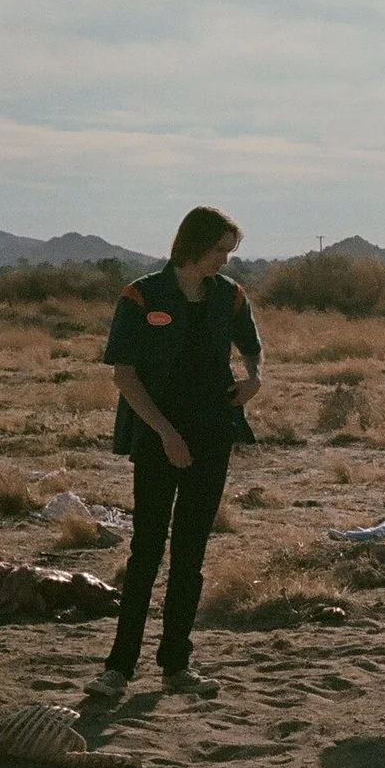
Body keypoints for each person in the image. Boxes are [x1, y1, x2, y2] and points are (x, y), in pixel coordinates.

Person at [85, 207, 262, 702]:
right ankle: (118, 669)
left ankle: (176, 666)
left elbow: (251, 347)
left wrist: (253, 378)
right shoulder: (142, 295)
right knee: (146, 551)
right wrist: (165, 432)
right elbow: (124, 374)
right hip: (155, 435)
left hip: (213, 433)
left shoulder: (229, 296)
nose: (224, 260)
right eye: (218, 250)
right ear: (193, 244)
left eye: (229, 252)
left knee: (191, 553)